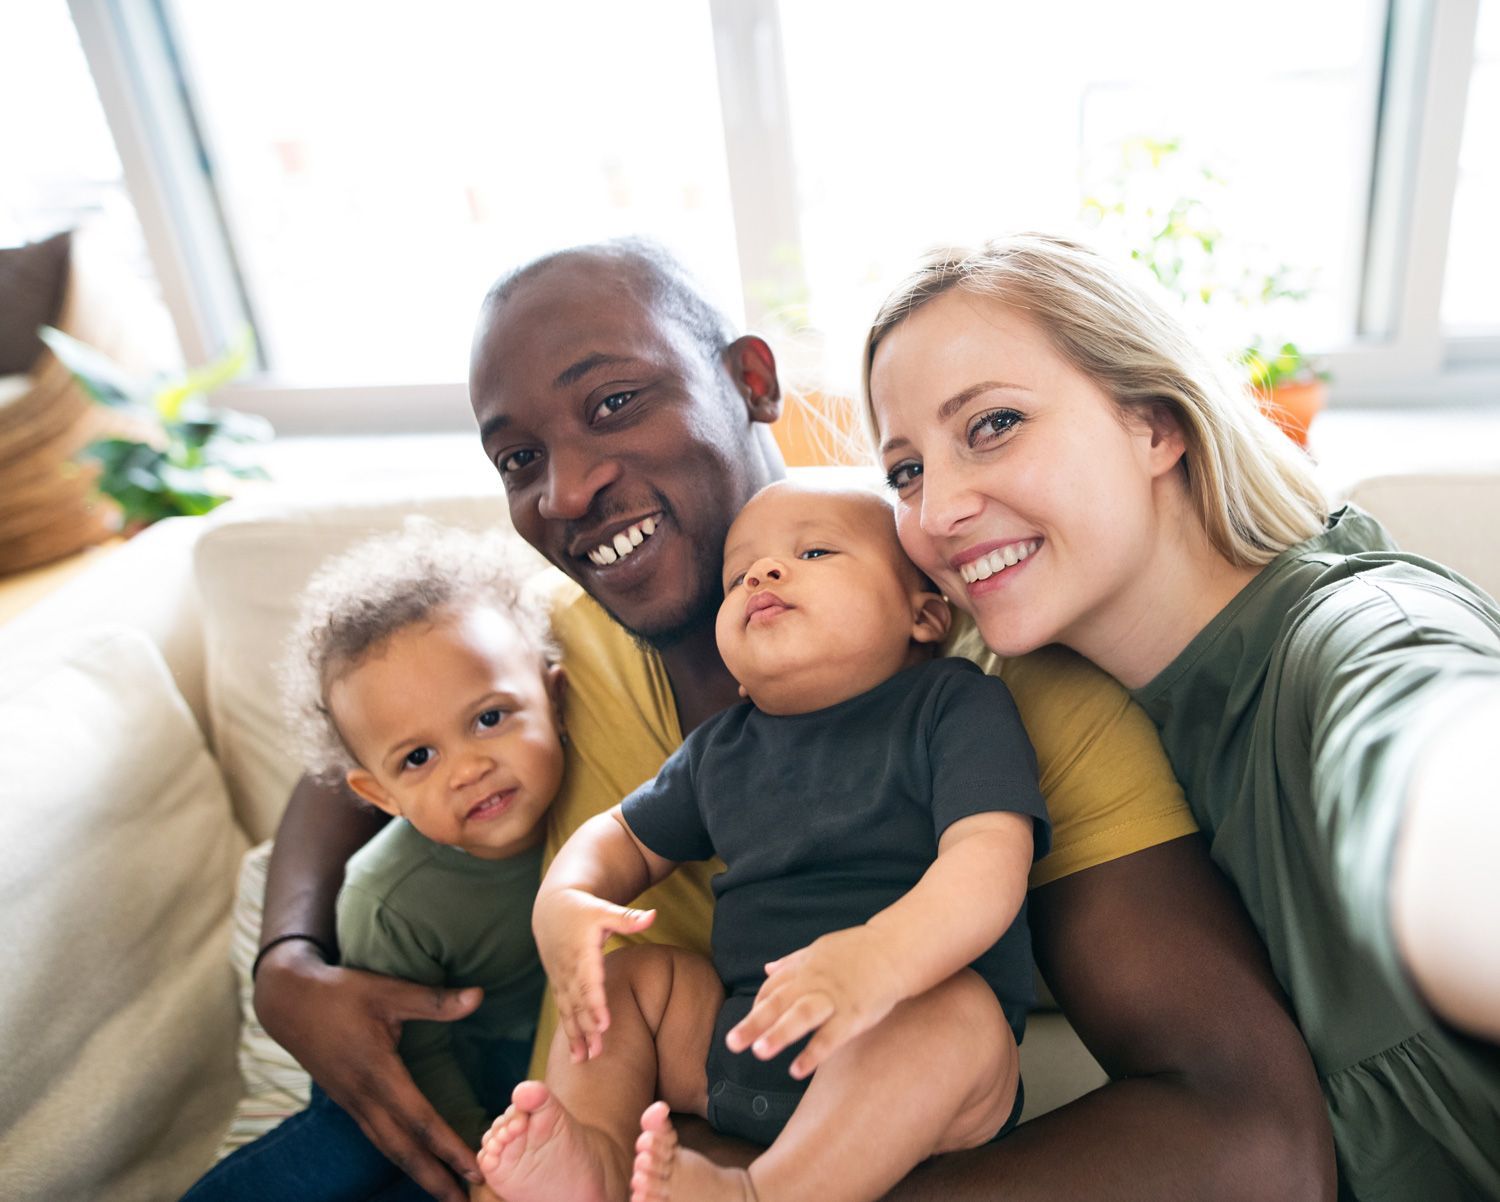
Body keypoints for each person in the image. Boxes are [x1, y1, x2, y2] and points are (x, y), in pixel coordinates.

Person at [251, 239, 1334, 1202]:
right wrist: (290, 960)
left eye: (616, 401)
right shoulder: (554, 652)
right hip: (648, 1104)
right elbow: (359, 747)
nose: (567, 489)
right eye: (518, 459)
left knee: (940, 1010)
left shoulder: (1004, 687)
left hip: (850, 1109)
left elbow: (1258, 1142)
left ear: (750, 381)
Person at [863, 232, 1500, 1201]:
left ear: (1156, 425)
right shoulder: (1049, 727)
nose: (939, 508)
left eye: (992, 423)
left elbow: (1440, 763)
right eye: (905, 469)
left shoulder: (1358, 633)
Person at [475, 480, 1048, 1202]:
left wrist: (880, 959)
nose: (762, 575)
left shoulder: (953, 705)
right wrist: (565, 896)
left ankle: (760, 1194)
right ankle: (596, 1156)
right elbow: (620, 834)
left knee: (957, 1012)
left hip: (917, 1066)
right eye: (737, 575)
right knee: (633, 982)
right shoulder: (722, 748)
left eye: (813, 551)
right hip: (745, 1044)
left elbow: (988, 863)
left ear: (924, 615)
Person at [183, 525, 565, 1201]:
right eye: (419, 758)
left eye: (490, 718)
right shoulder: (386, 897)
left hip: (526, 1072)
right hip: (411, 1082)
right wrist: (480, 1169)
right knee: (342, 1156)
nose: (469, 769)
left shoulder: (603, 804)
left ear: (555, 698)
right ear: (379, 794)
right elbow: (411, 1060)